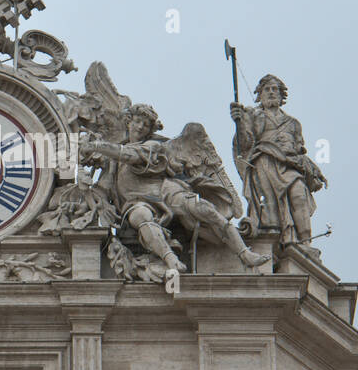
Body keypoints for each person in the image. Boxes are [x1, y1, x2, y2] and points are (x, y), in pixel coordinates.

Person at [82, 105, 269, 273]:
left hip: (165, 191)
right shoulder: (111, 163)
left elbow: (130, 155)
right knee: (140, 217)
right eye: (137, 121)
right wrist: (88, 192)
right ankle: (171, 261)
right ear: (128, 121)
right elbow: (102, 188)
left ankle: (244, 253)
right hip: (135, 202)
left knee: (203, 209)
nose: (140, 127)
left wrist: (96, 145)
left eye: (146, 125)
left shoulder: (152, 146)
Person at [230, 74, 327, 254]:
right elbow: (245, 144)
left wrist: (314, 169)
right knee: (268, 208)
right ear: (259, 95)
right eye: (267, 89)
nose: (271, 92)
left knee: (299, 195)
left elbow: (300, 151)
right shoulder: (253, 115)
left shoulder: (293, 123)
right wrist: (239, 122)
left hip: (290, 166)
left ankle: (304, 243)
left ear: (282, 96)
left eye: (275, 89)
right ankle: (272, 249)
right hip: (264, 164)